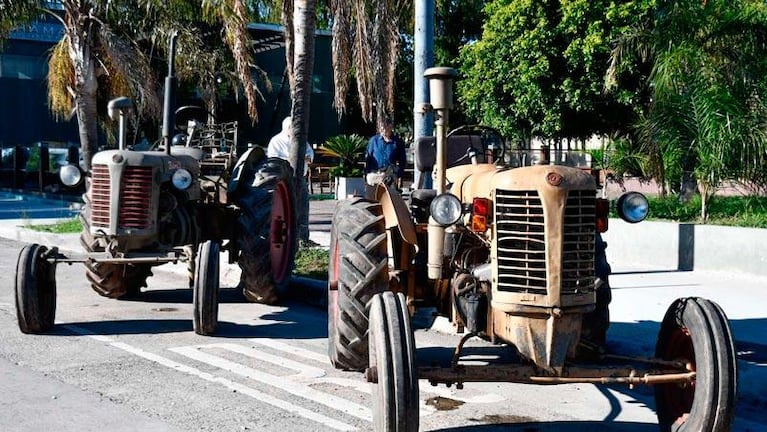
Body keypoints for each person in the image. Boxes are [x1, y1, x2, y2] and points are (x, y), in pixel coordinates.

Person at [267, 116, 314, 244]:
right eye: (292, 128)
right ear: (287, 128)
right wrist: (291, 159)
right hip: (283, 181)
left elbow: (310, 154)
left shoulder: (301, 140)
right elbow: (273, 159)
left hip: (300, 179)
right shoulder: (276, 141)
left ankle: (304, 239)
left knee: (303, 207)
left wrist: (306, 157)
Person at [365, 117, 406, 188]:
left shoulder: (398, 142)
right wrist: (367, 172)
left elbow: (402, 161)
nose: (383, 130)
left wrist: (400, 176)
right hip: (375, 173)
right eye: (381, 128)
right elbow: (368, 157)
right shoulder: (374, 141)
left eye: (385, 128)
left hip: (390, 174)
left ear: (390, 127)